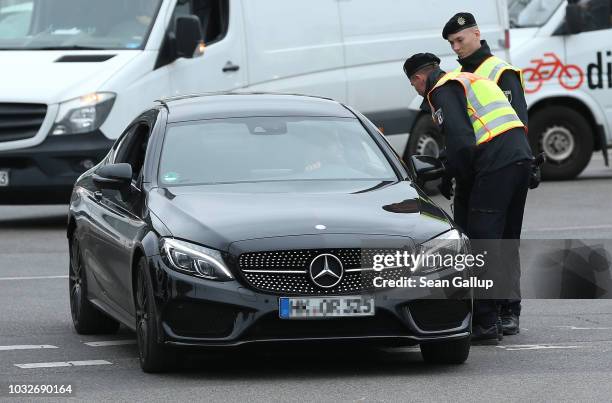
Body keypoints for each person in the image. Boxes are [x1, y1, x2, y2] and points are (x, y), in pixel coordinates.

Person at [403, 53, 533, 343]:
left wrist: (456, 176)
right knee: (505, 239)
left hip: (495, 162)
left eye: (413, 84)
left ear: (418, 79)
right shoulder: (469, 79)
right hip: (519, 158)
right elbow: (475, 128)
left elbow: (461, 141)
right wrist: (451, 166)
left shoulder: (440, 90)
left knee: (480, 240)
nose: (416, 89)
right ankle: (506, 313)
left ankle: (485, 322)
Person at [442, 12, 530, 336]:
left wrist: (531, 162)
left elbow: (517, 120)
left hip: (501, 164)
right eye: (451, 43)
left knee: (504, 238)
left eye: (460, 40)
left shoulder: (499, 71)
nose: (456, 47)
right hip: (477, 170)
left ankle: (509, 309)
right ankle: (487, 309)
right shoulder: (456, 75)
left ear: (476, 34)